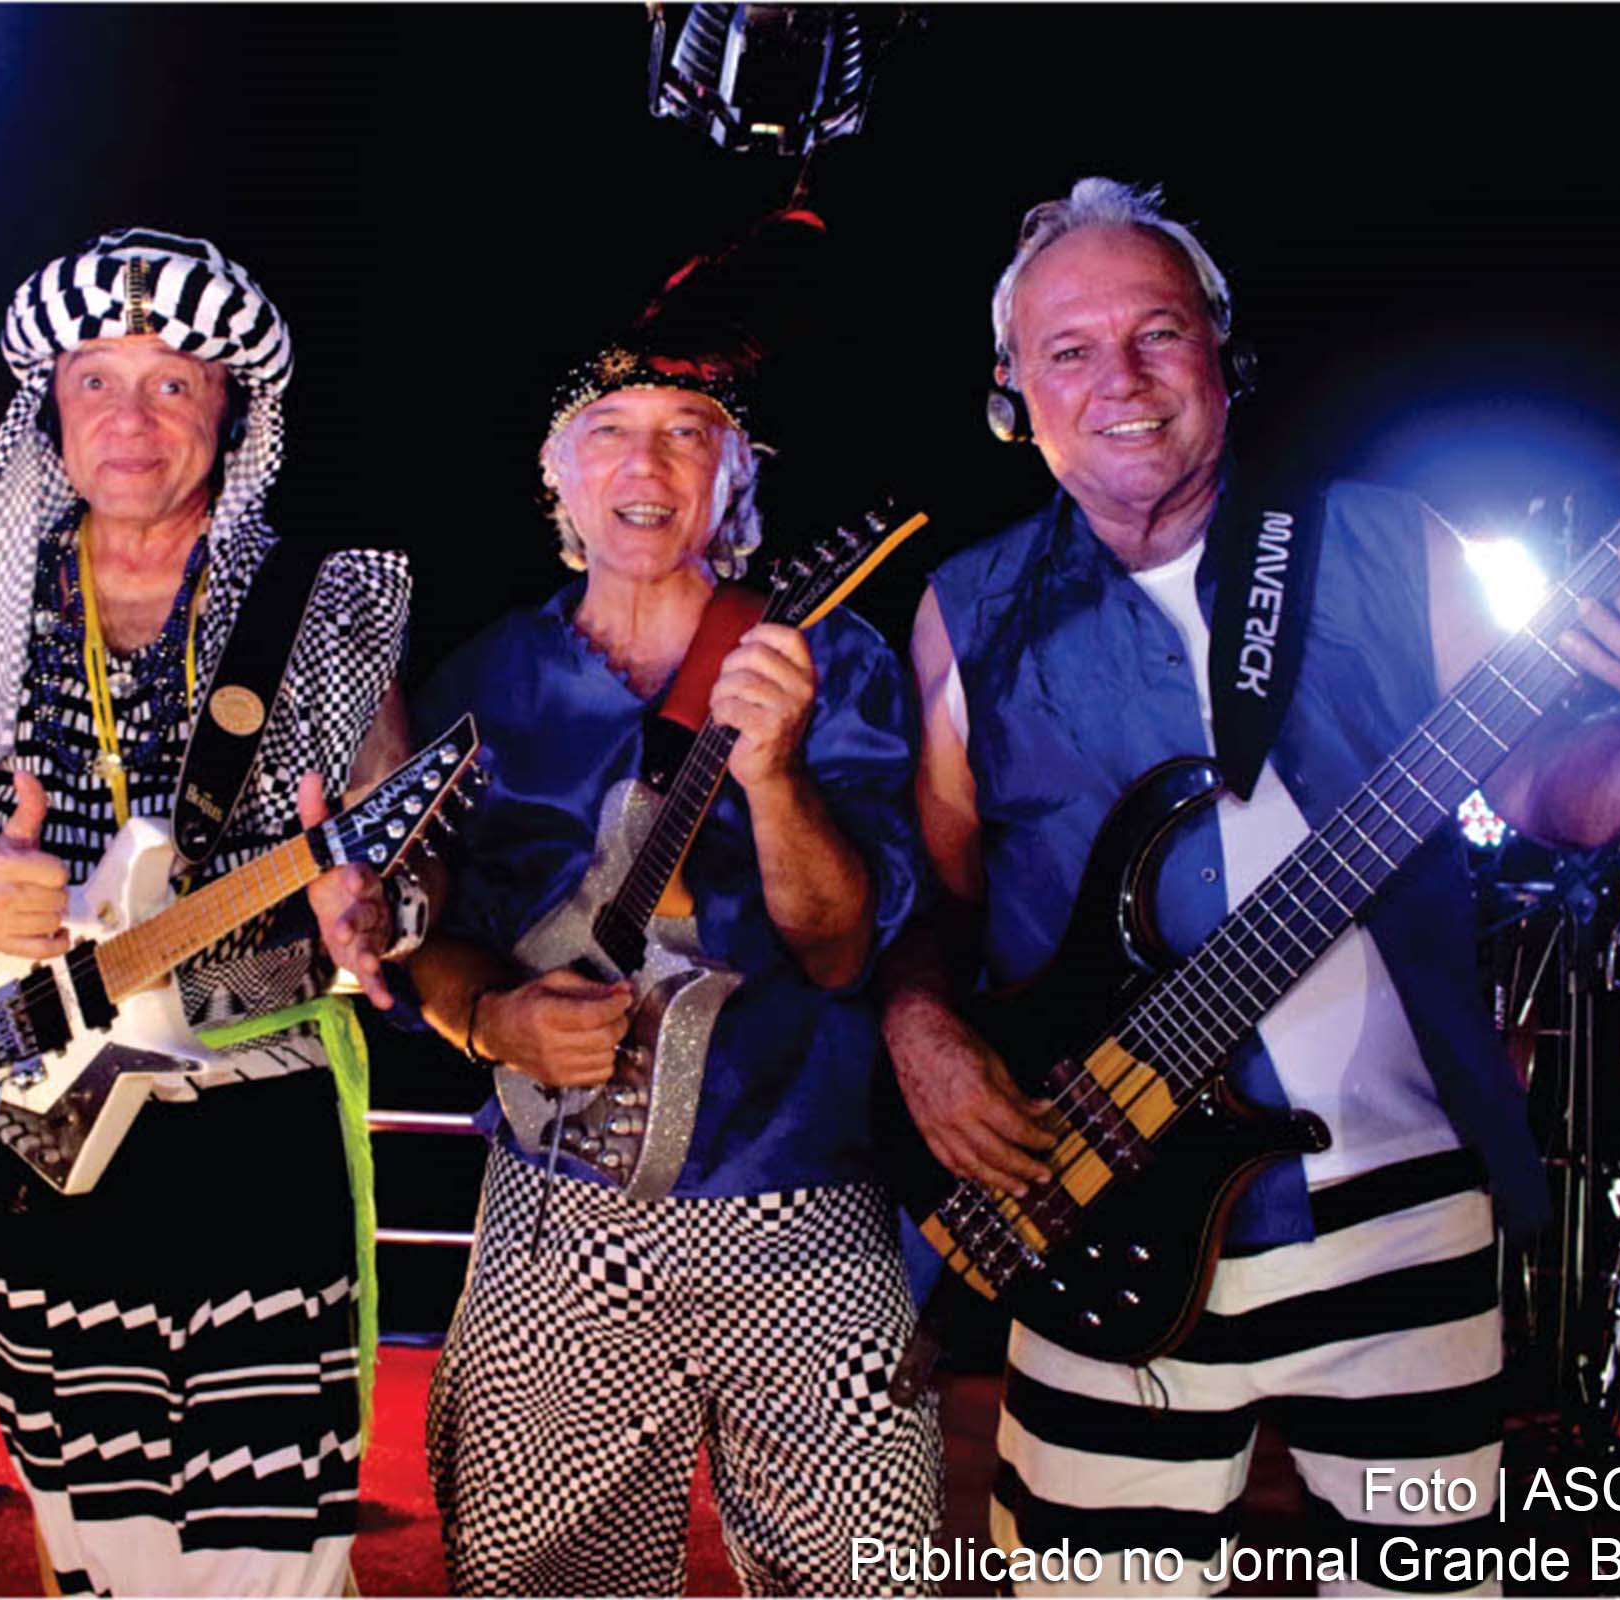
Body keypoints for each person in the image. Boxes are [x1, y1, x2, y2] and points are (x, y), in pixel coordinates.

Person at [883, 177, 1620, 1591]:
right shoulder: (962, 613)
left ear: (1221, 354)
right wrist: (919, 1024)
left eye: (1159, 333)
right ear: (1012, 395)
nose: (1122, 380)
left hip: (1398, 1215)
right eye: (1070, 350)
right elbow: (938, 905)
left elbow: (1555, 794)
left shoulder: (1389, 544)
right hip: (1102, 1205)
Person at [0, 227, 410, 1599]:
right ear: (50, 409)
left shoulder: (325, 602)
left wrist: (378, 908)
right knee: (88, 1532)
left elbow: (404, 874)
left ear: (232, 413)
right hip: (48, 1123)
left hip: (258, 1122)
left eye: (173, 384)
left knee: (266, 1551)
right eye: (97, 381)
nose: (131, 418)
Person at [404, 237, 945, 1595]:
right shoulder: (481, 680)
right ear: (557, 472)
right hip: (555, 1210)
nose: (645, 464)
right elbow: (425, 938)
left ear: (734, 475)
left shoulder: (831, 659)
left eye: (688, 432)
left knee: (865, 1579)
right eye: (609, 431)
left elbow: (840, 945)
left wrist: (775, 775)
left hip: (807, 1209)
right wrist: (491, 1019)